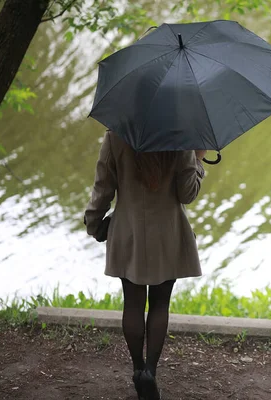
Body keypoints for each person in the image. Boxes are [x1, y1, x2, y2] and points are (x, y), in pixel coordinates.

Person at [84, 130, 206, 400]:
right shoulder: (180, 134)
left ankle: (138, 368)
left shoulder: (116, 135)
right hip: (168, 233)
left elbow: (102, 187)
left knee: (133, 303)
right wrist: (197, 160)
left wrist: (94, 224)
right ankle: (150, 371)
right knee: (161, 303)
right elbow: (187, 194)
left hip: (129, 233)